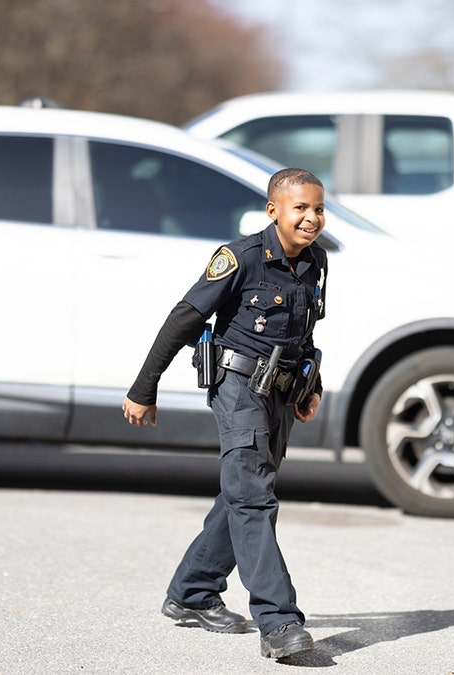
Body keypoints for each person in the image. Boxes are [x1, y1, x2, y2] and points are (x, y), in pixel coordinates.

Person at [122, 167, 328, 660]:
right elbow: (183, 318)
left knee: (243, 491)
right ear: (273, 210)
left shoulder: (317, 261)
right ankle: (278, 622)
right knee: (254, 497)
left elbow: (305, 332)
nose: (311, 218)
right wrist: (143, 388)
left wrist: (309, 385)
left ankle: (191, 593)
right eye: (300, 207)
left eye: (318, 208)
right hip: (236, 388)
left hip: (279, 390)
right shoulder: (239, 259)